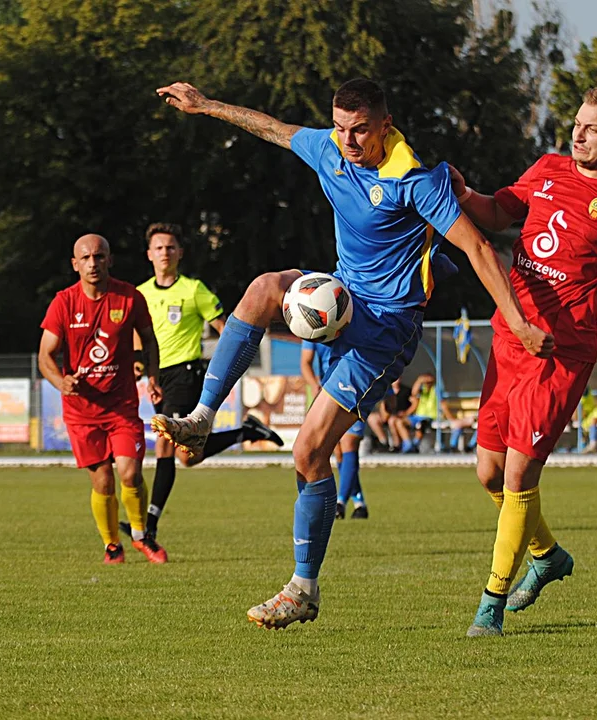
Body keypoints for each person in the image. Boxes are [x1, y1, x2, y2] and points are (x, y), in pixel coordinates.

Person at [153, 77, 552, 629]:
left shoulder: (415, 179)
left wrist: (521, 324)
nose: (347, 139)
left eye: (359, 129)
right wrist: (204, 106)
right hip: (341, 296)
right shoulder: (330, 149)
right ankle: (201, 417)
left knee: (308, 453)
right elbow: (272, 127)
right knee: (265, 286)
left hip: (385, 332)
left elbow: (480, 249)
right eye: (340, 127)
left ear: (384, 125)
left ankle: (302, 588)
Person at [450, 86, 597, 636]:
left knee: (521, 471)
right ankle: (548, 556)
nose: (578, 134)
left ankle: (491, 605)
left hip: (562, 352)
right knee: (489, 474)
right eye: (576, 124)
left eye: (593, 129)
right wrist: (460, 191)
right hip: (510, 336)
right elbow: (499, 211)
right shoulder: (548, 167)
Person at [126, 222, 282, 541]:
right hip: (159, 376)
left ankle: (149, 526)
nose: (165, 252)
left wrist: (229, 366)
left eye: (171, 247)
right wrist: (141, 368)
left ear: (180, 253)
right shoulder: (140, 294)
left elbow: (227, 331)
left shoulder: (194, 290)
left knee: (167, 447)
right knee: (188, 456)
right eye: (159, 248)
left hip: (185, 373)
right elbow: (137, 337)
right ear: (149, 255)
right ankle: (245, 431)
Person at [38, 234, 169, 565]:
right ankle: (112, 544)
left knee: (129, 473)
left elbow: (150, 341)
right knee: (103, 481)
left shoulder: (129, 297)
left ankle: (141, 536)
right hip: (81, 411)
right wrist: (61, 381)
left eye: (99, 256)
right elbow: (45, 356)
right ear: (75, 264)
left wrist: (152, 375)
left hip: (122, 405)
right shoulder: (63, 303)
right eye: (85, 258)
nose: (93, 263)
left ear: (109, 260)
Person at [300, 340, 368, 519]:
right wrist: (314, 385)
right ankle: (359, 501)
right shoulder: (311, 319)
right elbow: (305, 362)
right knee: (337, 452)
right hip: (329, 391)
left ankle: (340, 502)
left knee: (349, 443)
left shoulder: (353, 316)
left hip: (355, 385)